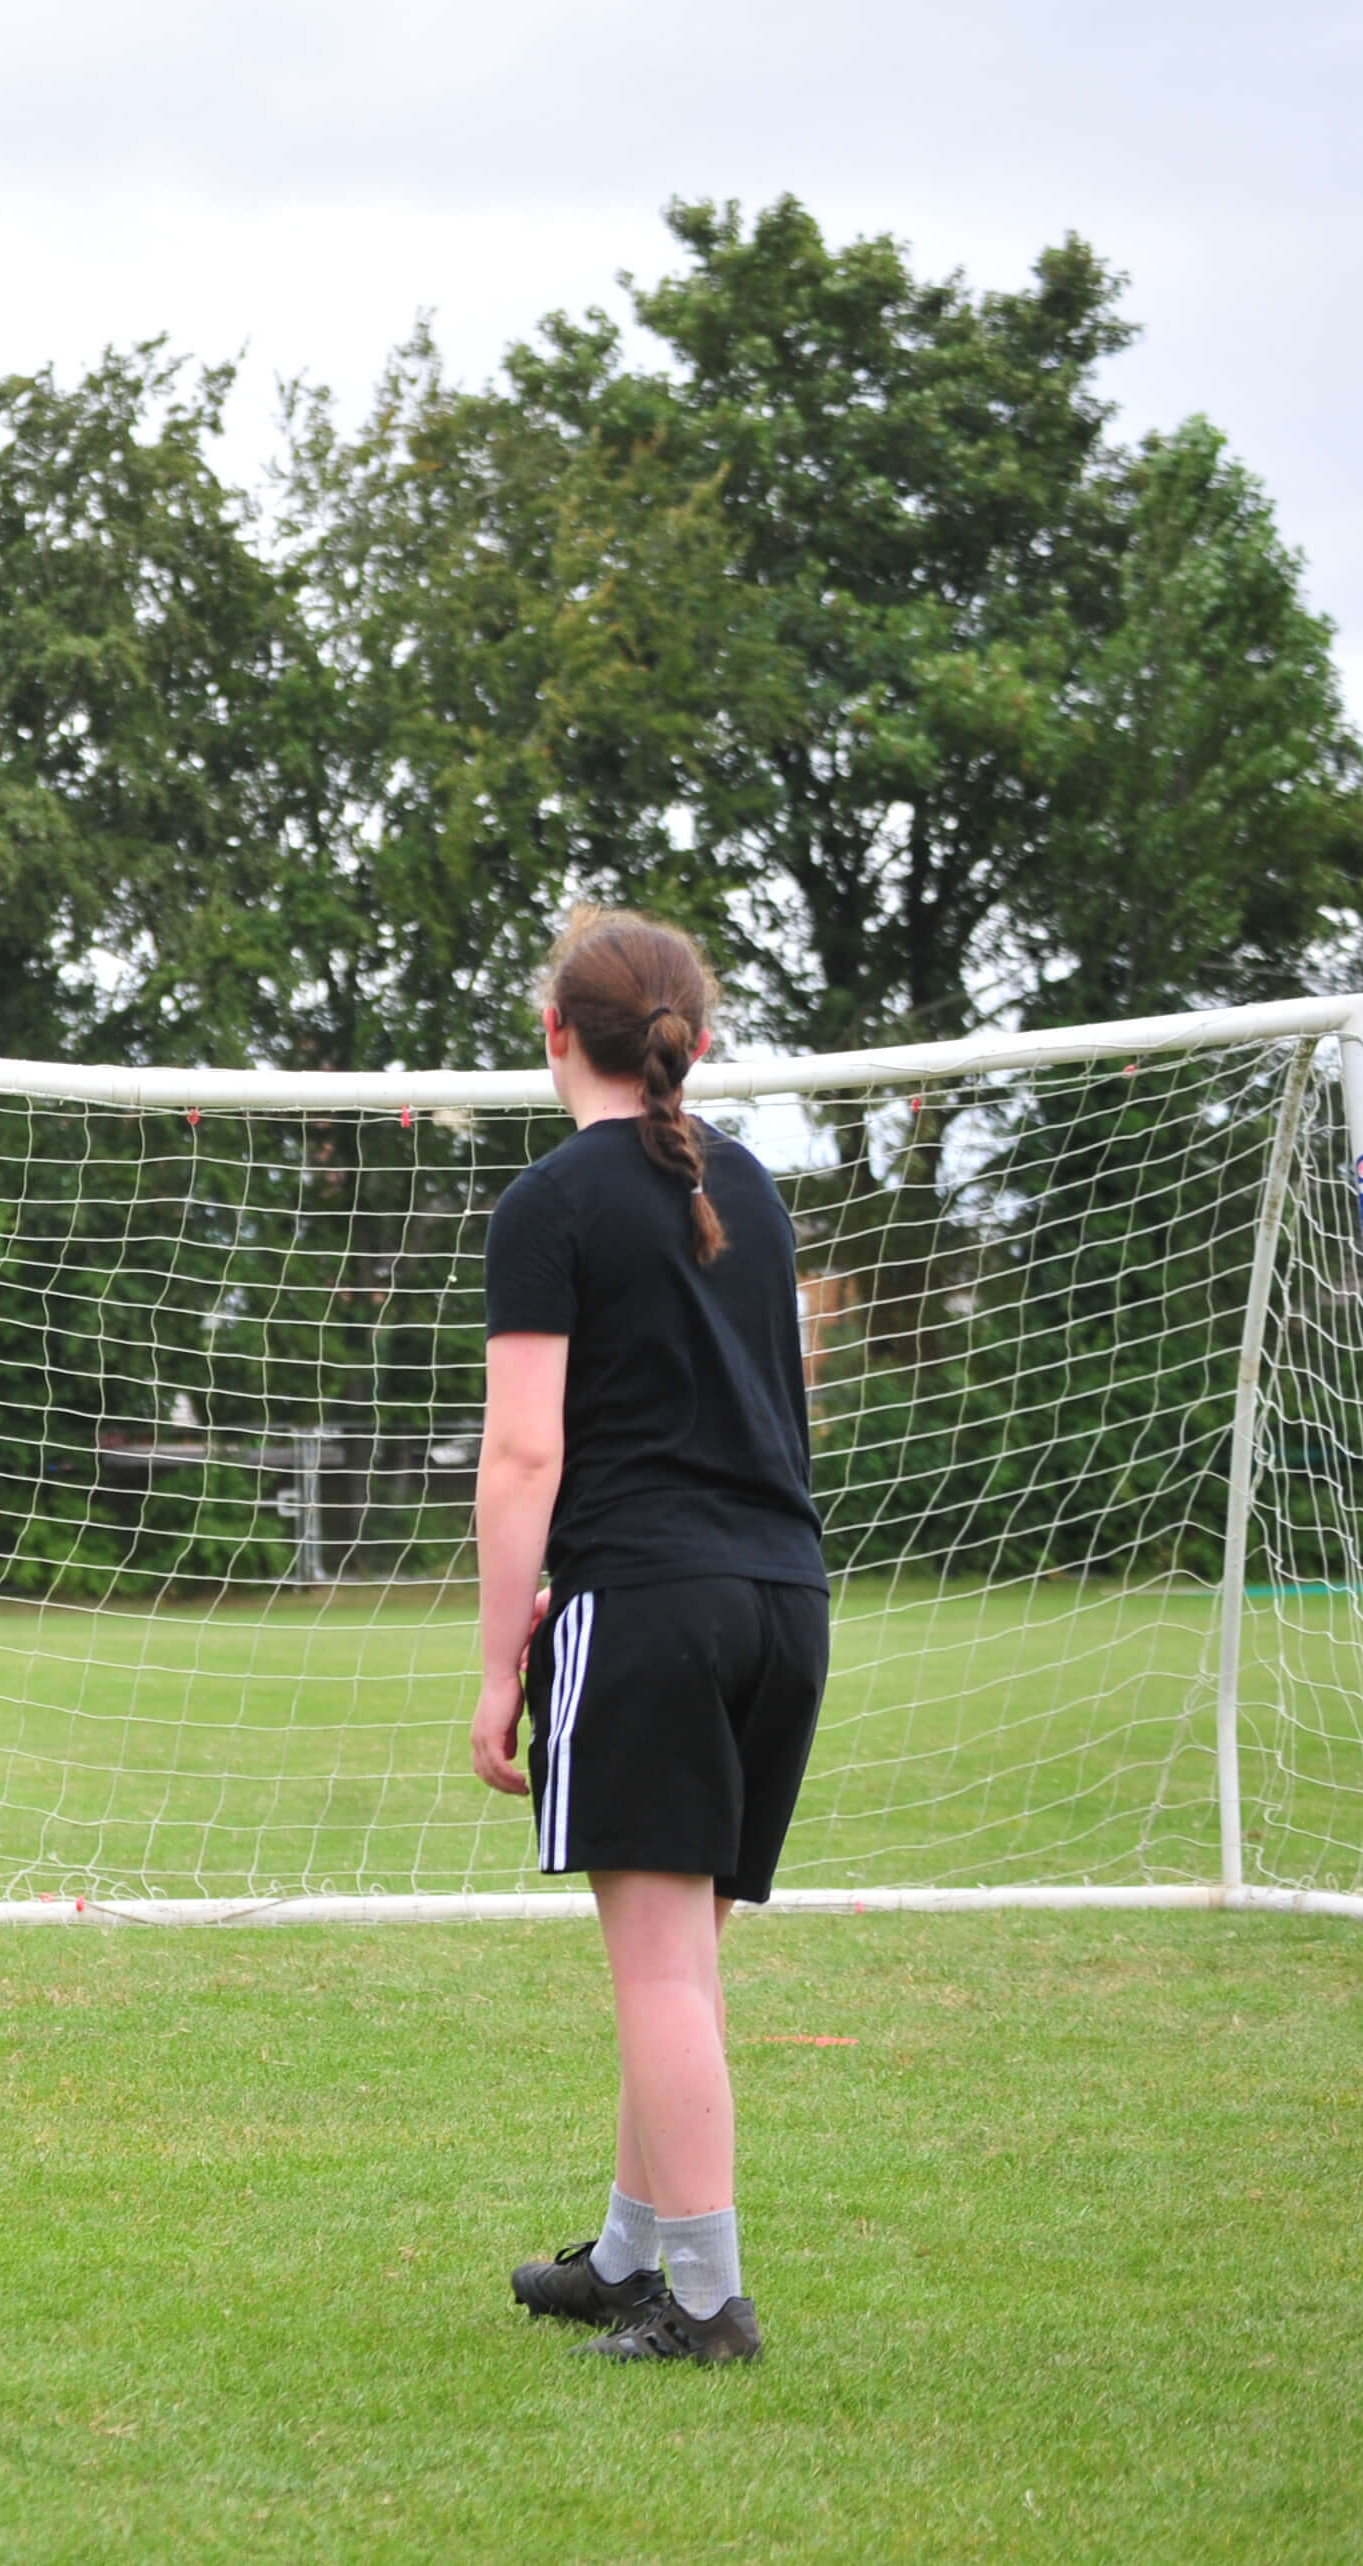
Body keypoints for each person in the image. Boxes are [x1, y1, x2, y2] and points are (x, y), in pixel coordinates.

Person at [470, 906, 828, 2365]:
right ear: (697, 1030)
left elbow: (520, 1457)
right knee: (680, 1956)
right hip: (782, 1605)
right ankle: (632, 2252)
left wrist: (500, 1663)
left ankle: (704, 2302)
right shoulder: (749, 1184)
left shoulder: (548, 1201)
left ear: (555, 1031)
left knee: (663, 1971)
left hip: (650, 1604)